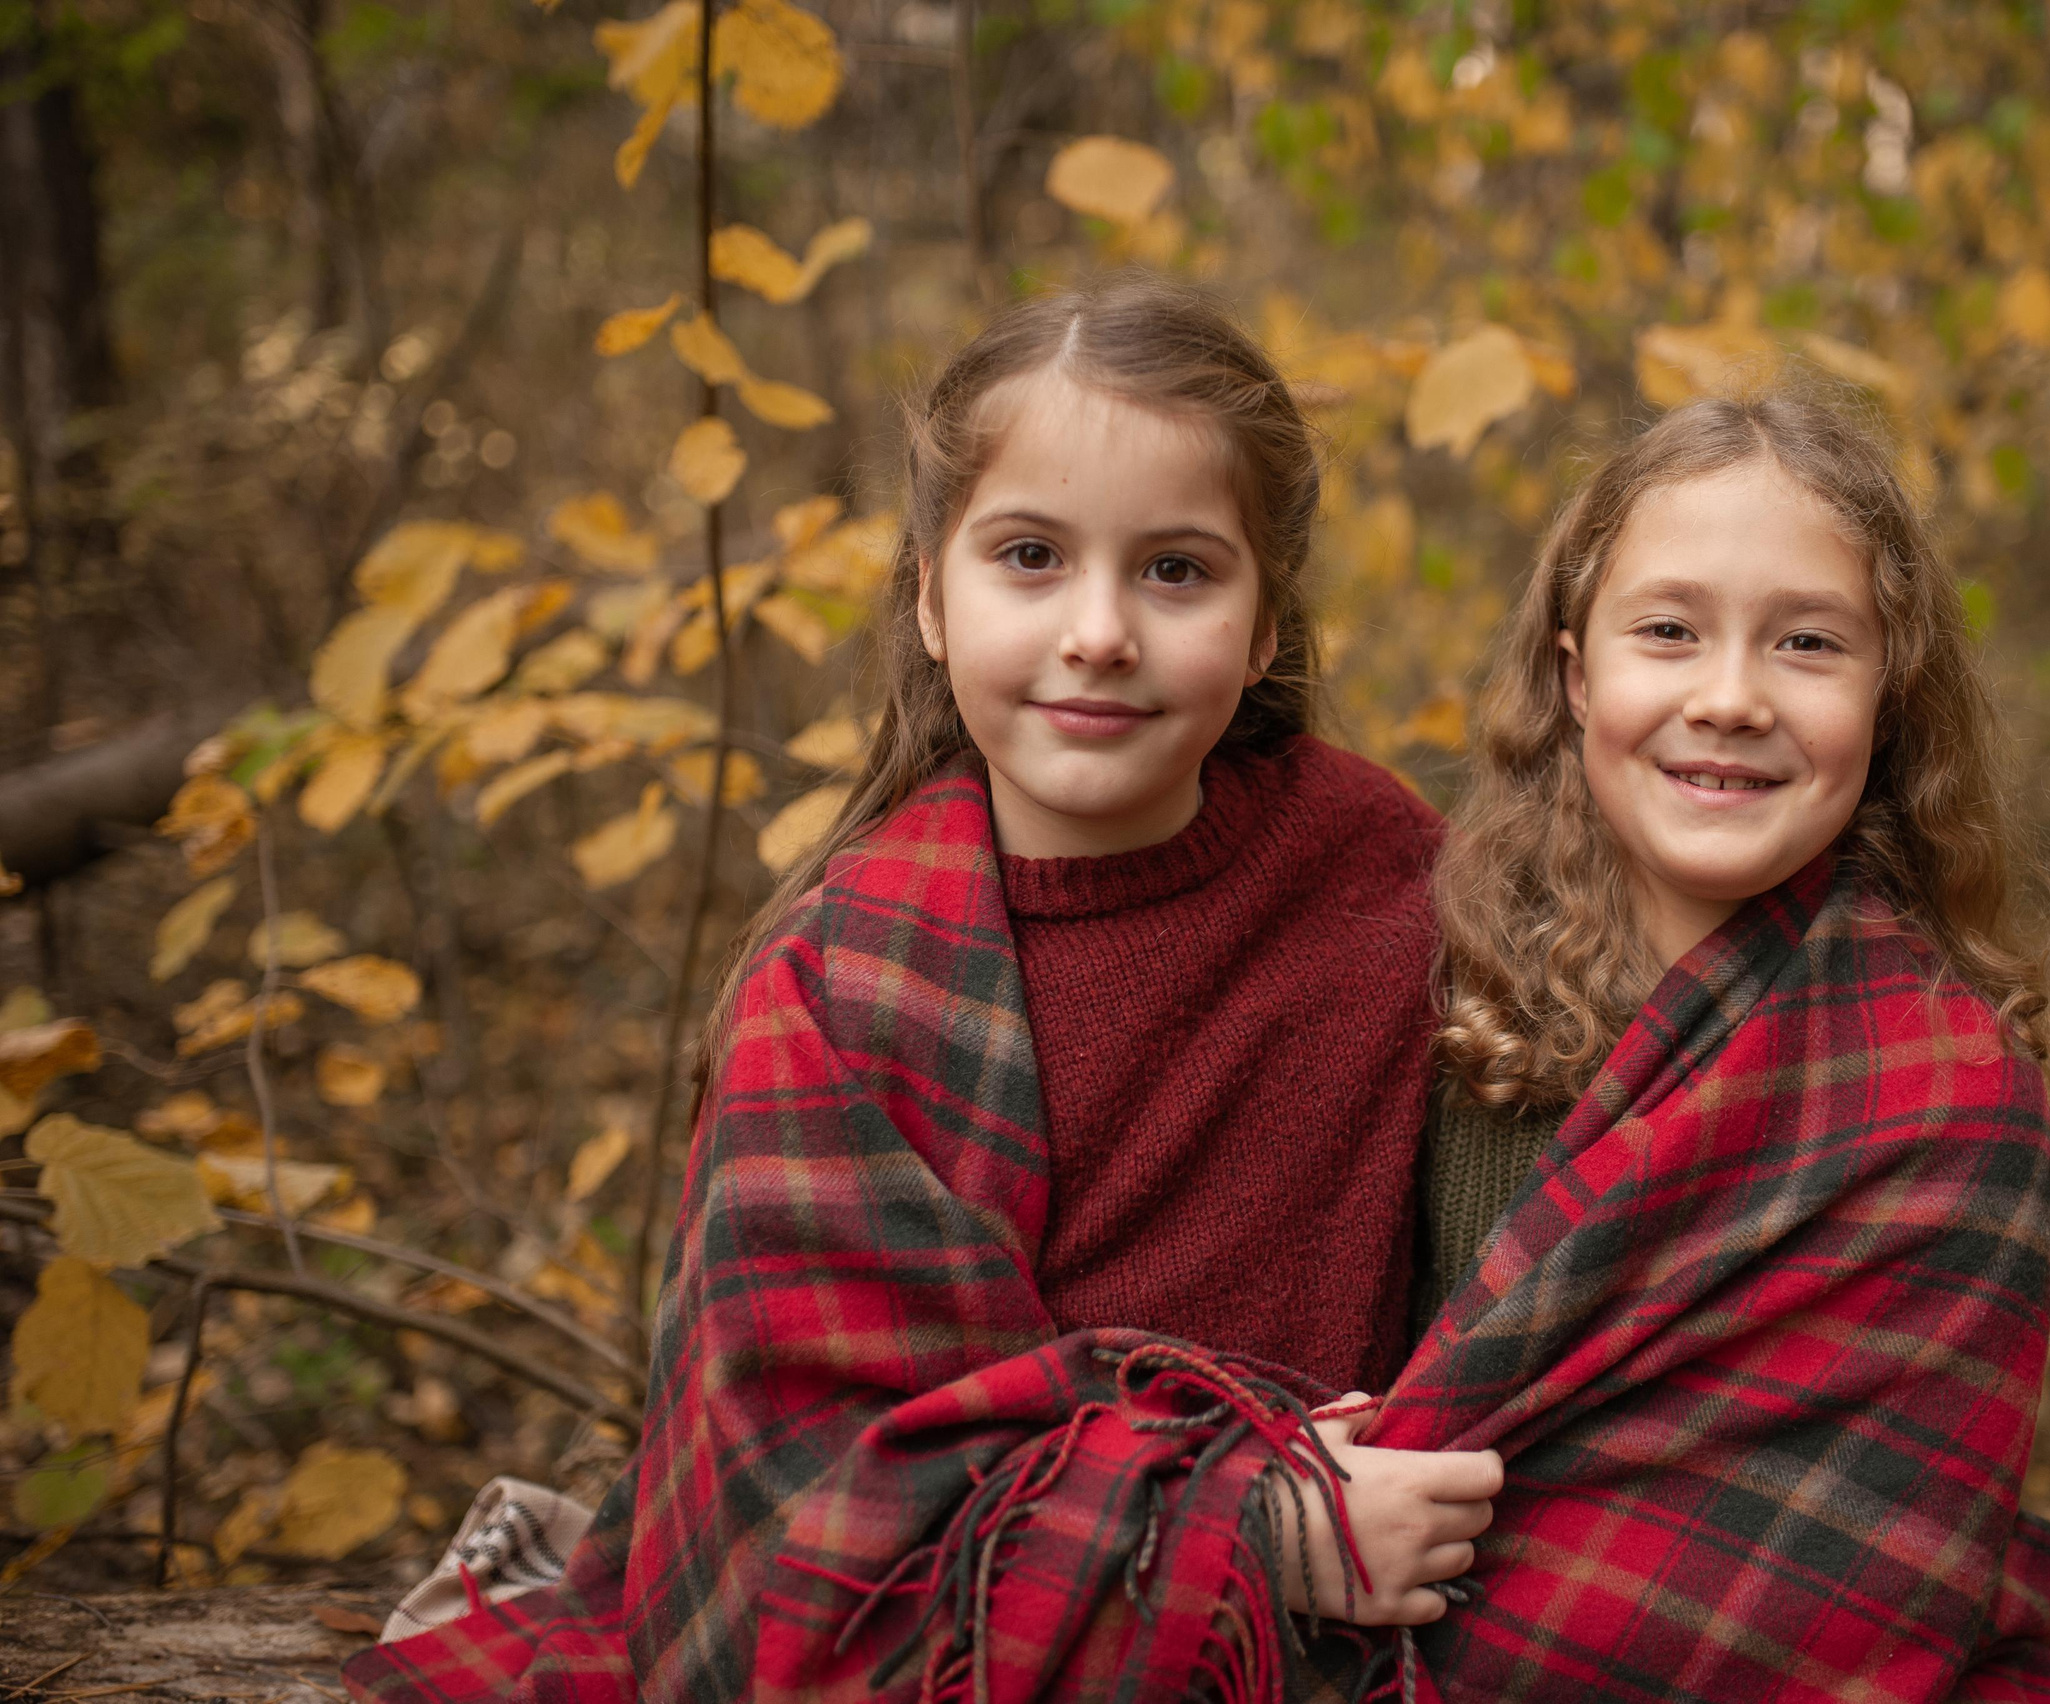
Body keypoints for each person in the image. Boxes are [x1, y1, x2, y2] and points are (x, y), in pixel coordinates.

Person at [346, 276, 1500, 1704]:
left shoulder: (1386, 876)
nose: (1100, 631)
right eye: (1029, 556)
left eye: (1178, 571)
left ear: (1266, 627)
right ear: (930, 603)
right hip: (1024, 1634)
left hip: (1366, 1630)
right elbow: (801, 1526)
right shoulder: (841, 990)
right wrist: (1251, 1529)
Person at [1370, 386, 2050, 1701]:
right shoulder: (1421, 1000)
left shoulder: (1942, 1093)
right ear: (1579, 680)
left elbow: (1851, 1562)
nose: (1734, 697)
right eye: (1670, 632)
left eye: (1807, 644)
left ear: (1888, 697)